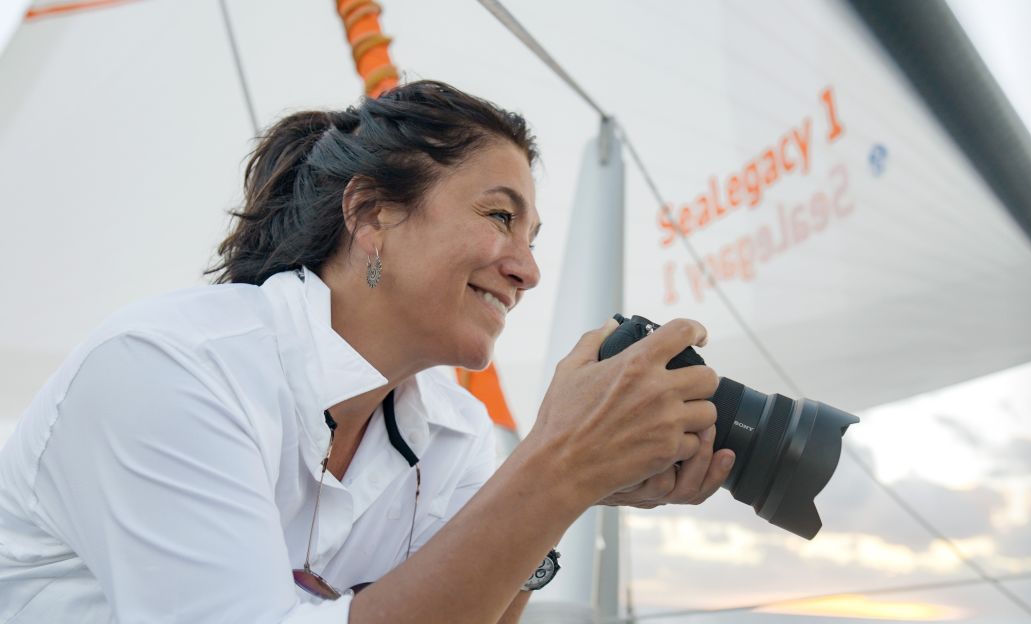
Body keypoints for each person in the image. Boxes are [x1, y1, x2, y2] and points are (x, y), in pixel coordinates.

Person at [0, 80, 735, 623]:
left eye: (533, 239)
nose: (527, 268)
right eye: (500, 217)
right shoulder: (170, 369)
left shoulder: (451, 429)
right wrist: (559, 464)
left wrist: (572, 488)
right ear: (370, 212)